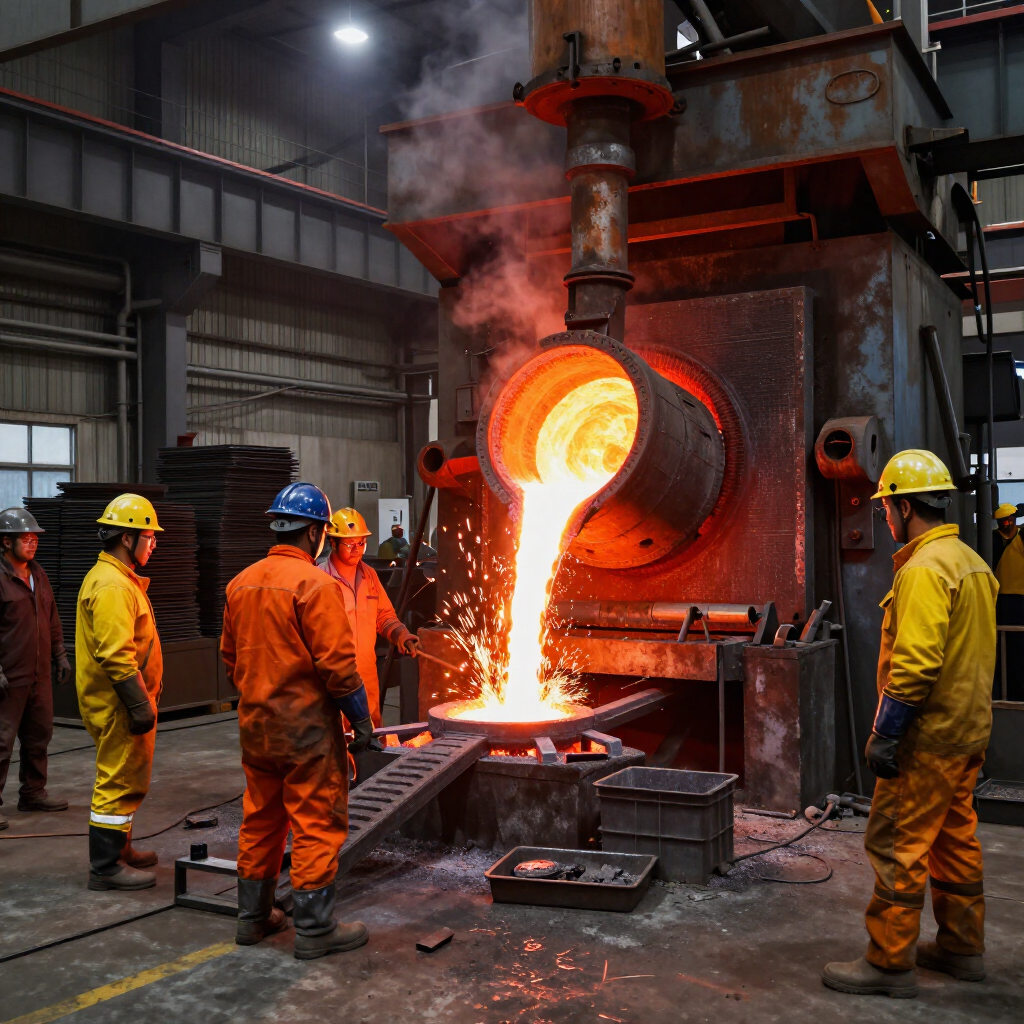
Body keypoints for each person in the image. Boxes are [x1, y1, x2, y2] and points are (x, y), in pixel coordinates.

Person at [823, 450, 997, 998]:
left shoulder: (923, 570)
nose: (886, 520)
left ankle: (889, 962)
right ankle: (961, 949)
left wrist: (887, 732)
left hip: (927, 739)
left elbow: (917, 663)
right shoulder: (971, 562)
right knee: (954, 841)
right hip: (967, 733)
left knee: (899, 843)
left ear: (901, 506)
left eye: (886, 510)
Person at [221, 483, 373, 959]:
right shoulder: (316, 586)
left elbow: (230, 658)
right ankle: (314, 928)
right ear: (315, 534)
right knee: (315, 821)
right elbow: (339, 668)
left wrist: (262, 693)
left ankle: (252, 918)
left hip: (257, 726)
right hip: (306, 731)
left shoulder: (240, 583)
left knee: (262, 819)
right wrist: (361, 721)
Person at [77, 494, 164, 890]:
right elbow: (115, 654)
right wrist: (138, 703)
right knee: (116, 780)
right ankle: (106, 866)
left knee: (127, 778)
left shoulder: (116, 578)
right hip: (119, 705)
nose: (154, 543)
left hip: (119, 701)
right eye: (149, 535)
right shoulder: (112, 585)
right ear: (127, 539)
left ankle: (122, 848)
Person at [0, 508, 71, 830]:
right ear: (5, 542)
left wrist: (60, 654)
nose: (32, 544)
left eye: (34, 539)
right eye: (25, 539)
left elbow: (51, 618)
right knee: (1, 742)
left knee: (39, 736)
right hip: (9, 676)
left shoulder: (38, 574)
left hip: (39, 673)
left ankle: (32, 793)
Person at [321, 508, 418, 727]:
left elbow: (383, 615)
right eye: (350, 544)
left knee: (371, 736)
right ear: (332, 543)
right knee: (336, 739)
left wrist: (400, 634)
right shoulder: (319, 579)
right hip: (332, 680)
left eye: (361, 543)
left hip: (366, 676)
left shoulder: (369, 576)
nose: (357, 550)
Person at [991, 502, 1024, 700]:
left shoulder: (1019, 538)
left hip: (1014, 598)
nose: (1008, 523)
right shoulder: (994, 539)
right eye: (1004, 520)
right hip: (1004, 599)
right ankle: (1011, 692)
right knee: (1009, 649)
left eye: (1010, 519)